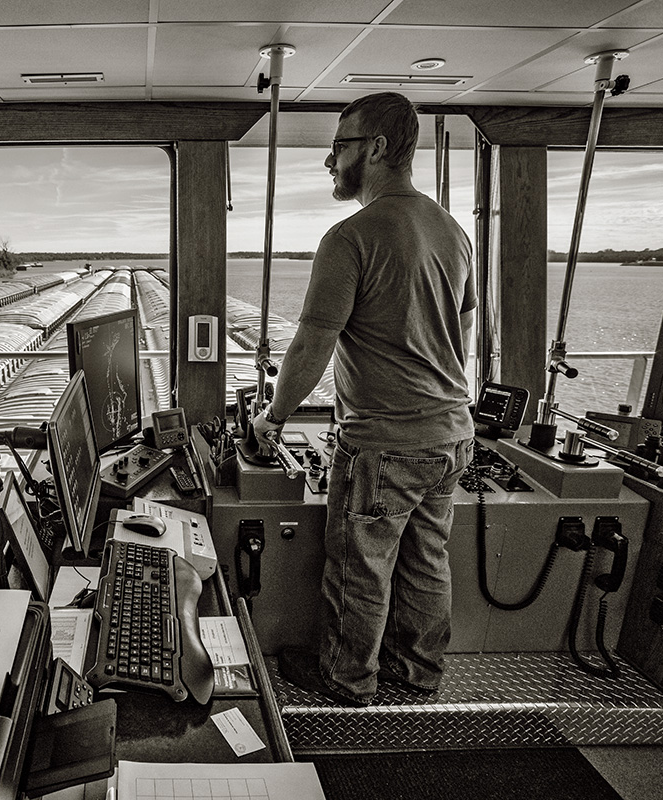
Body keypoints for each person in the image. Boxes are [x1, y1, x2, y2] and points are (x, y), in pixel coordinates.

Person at [252, 92, 475, 707]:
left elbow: (312, 344)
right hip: (451, 433)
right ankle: (417, 672)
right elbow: (462, 328)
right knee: (428, 561)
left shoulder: (350, 237)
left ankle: (347, 680)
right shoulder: (452, 231)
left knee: (360, 568)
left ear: (376, 148)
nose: (330, 159)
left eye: (340, 145)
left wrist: (272, 417)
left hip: (386, 442)